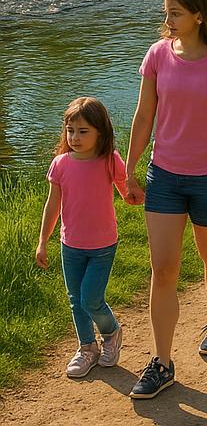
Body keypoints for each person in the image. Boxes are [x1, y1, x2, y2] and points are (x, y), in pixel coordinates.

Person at [124, 0, 207, 399]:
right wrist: (129, 167)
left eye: (175, 12)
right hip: (165, 177)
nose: (168, 20)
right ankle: (162, 363)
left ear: (199, 15)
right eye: (167, 12)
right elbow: (144, 116)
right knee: (163, 270)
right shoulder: (157, 56)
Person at [36, 97, 131, 378]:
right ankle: (87, 348)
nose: (75, 137)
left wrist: (140, 197)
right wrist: (43, 241)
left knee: (91, 298)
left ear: (100, 132)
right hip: (71, 245)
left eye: (83, 131)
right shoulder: (61, 164)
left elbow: (127, 193)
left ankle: (111, 333)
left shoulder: (109, 161)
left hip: (103, 245)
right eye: (70, 130)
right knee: (75, 300)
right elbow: (52, 205)